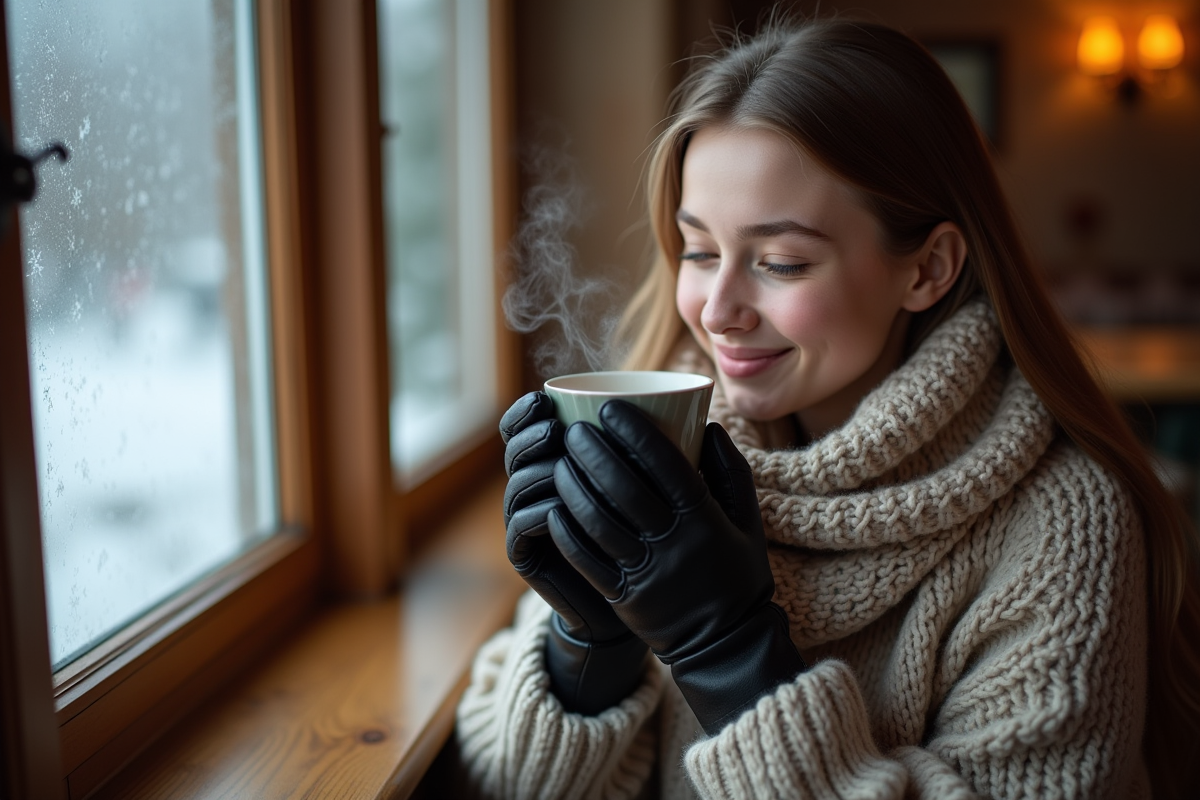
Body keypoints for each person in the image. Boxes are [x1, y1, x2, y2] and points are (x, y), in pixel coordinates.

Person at [456, 16, 1200, 799]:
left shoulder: (1065, 525)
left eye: (781, 262)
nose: (716, 310)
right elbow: (510, 780)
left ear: (927, 269)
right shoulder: (663, 461)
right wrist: (585, 644)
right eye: (700, 251)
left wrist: (729, 656)